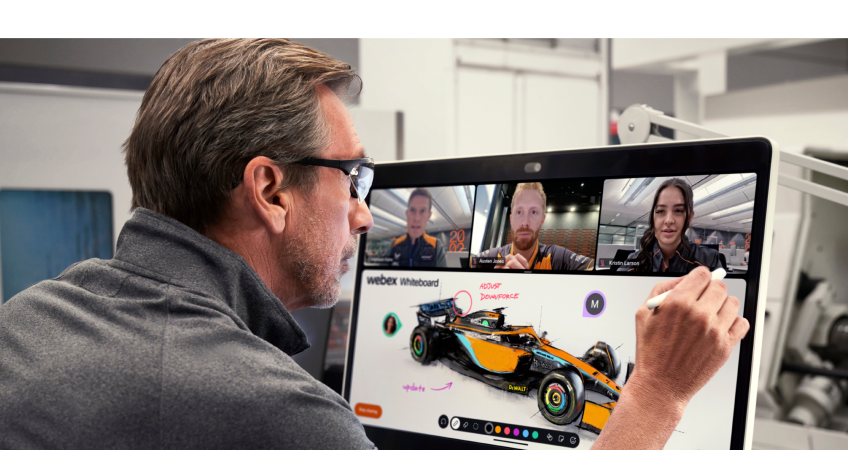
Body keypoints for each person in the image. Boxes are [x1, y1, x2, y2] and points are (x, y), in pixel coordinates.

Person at [0, 39, 749, 450]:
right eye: (352, 177)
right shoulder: (271, 410)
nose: (365, 214)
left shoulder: (27, 318)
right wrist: (656, 395)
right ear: (269, 190)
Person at [476, 182, 593, 270]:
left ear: (542, 220)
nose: (525, 223)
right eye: (519, 212)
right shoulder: (496, 257)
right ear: (511, 219)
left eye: (533, 212)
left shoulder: (557, 257)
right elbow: (463, 262)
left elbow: (597, 267)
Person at [619, 178, 722, 273]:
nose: (668, 220)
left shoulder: (709, 261)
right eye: (660, 211)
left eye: (678, 211)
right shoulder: (633, 262)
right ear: (653, 217)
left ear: (689, 217)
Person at [390, 188, 447, 267]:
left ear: (429, 216)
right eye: (413, 210)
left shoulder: (437, 246)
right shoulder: (394, 245)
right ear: (407, 213)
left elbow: (442, 279)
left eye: (422, 211)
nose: (416, 218)